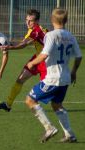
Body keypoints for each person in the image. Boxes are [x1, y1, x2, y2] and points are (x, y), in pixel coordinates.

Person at [26, 8, 82, 143]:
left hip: (53, 78)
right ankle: (69, 134)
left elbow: (44, 54)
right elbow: (79, 56)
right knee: (57, 104)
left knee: (30, 100)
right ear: (66, 21)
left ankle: (49, 128)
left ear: (52, 20)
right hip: (65, 78)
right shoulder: (70, 36)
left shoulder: (50, 35)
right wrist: (74, 71)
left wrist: (32, 63)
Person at [0, 9, 47, 111]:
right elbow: (22, 42)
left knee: (47, 88)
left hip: (47, 61)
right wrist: (9, 45)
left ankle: (55, 106)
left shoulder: (38, 30)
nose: (27, 22)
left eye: (30, 20)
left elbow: (24, 44)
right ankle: (8, 105)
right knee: (20, 79)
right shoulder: (32, 30)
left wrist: (9, 47)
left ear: (36, 21)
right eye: (26, 20)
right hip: (37, 58)